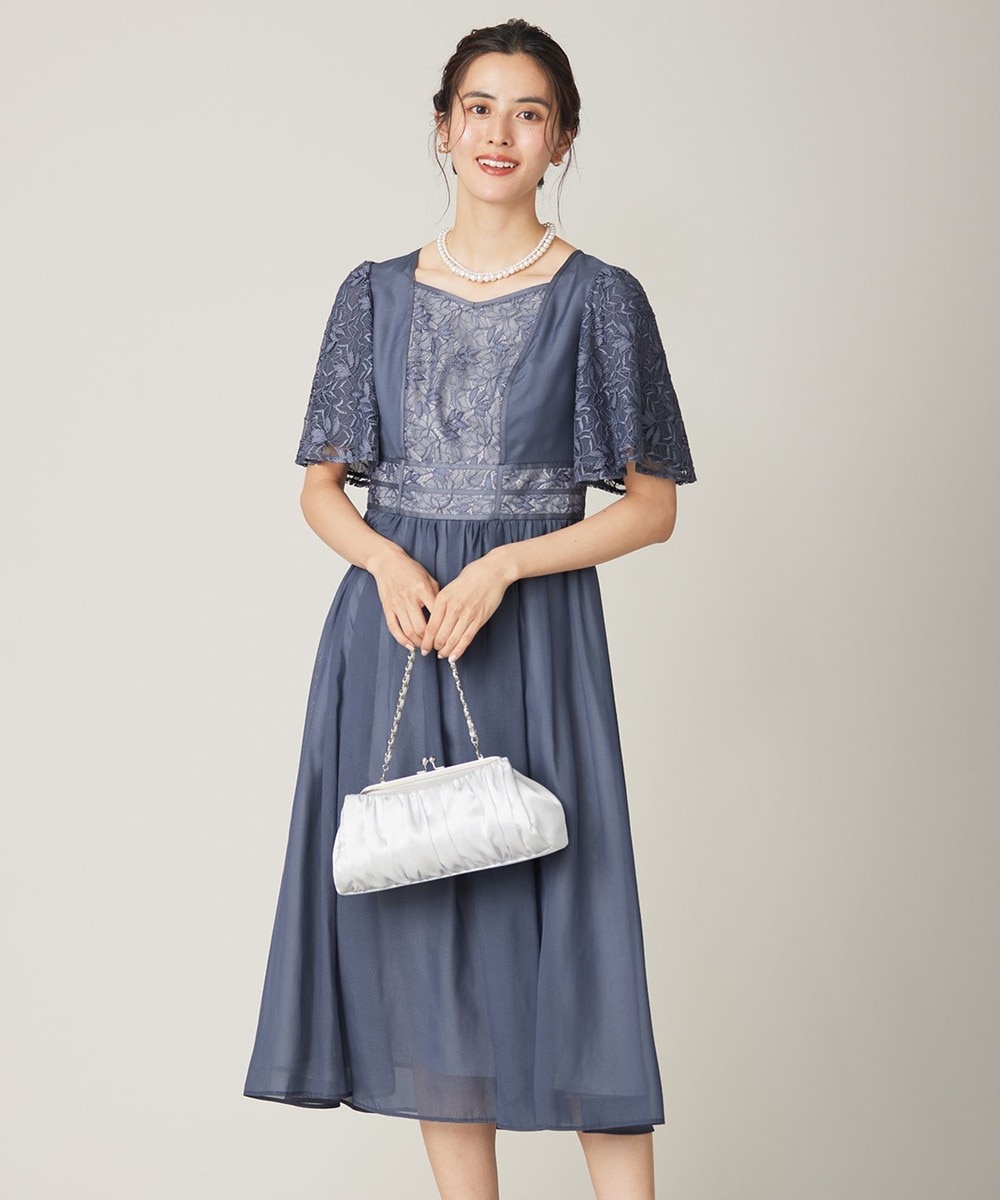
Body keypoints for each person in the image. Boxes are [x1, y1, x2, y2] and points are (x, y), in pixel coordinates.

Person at [243, 17, 697, 1199]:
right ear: (443, 128)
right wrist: (386, 564)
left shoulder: (601, 300)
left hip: (533, 641)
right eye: (479, 108)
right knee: (426, 958)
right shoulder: (372, 296)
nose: (501, 133)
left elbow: (651, 508)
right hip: (395, 640)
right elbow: (321, 489)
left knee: (575, 941)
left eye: (528, 112)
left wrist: (504, 567)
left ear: (562, 141)